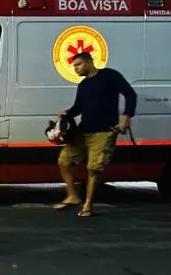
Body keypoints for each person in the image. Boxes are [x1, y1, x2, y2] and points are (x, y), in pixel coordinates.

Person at [54, 52, 137, 218]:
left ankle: (88, 205)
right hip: (84, 131)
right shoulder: (83, 85)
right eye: (74, 66)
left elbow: (130, 94)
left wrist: (126, 117)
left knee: (93, 169)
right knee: (64, 161)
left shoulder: (110, 76)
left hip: (104, 132)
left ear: (89, 61)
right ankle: (73, 196)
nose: (76, 69)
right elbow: (78, 107)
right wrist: (67, 113)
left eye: (78, 65)